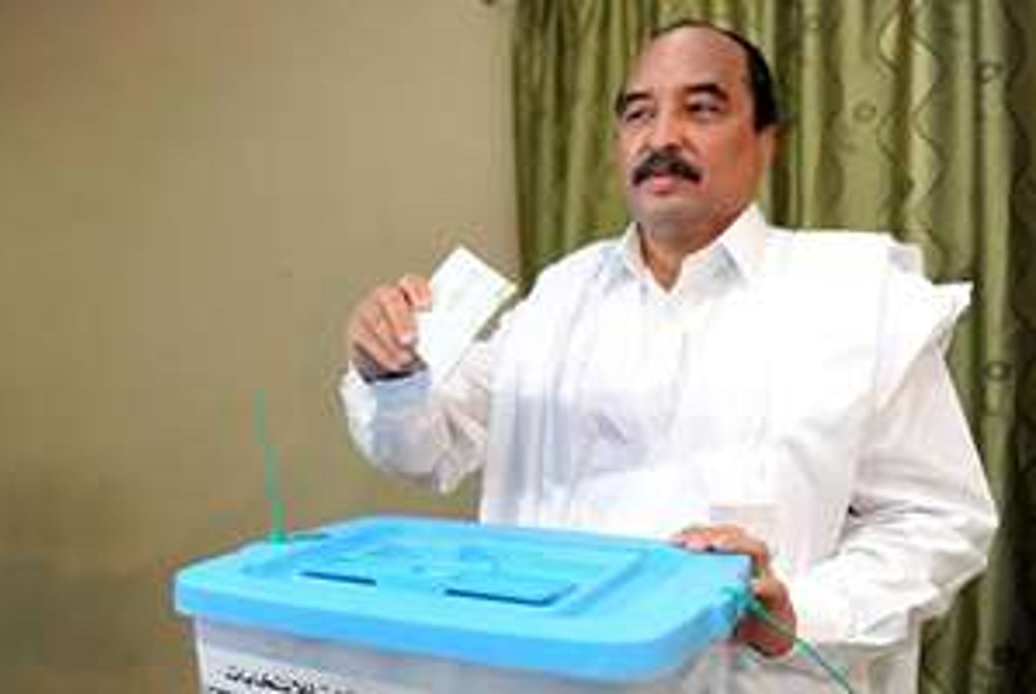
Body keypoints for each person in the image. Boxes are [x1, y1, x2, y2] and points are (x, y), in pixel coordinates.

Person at [339, 20, 997, 693]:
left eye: (701, 108)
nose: (661, 138)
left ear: (766, 140)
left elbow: (937, 519)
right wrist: (392, 372)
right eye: (637, 113)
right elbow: (425, 447)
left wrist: (803, 611)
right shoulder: (560, 293)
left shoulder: (857, 296)